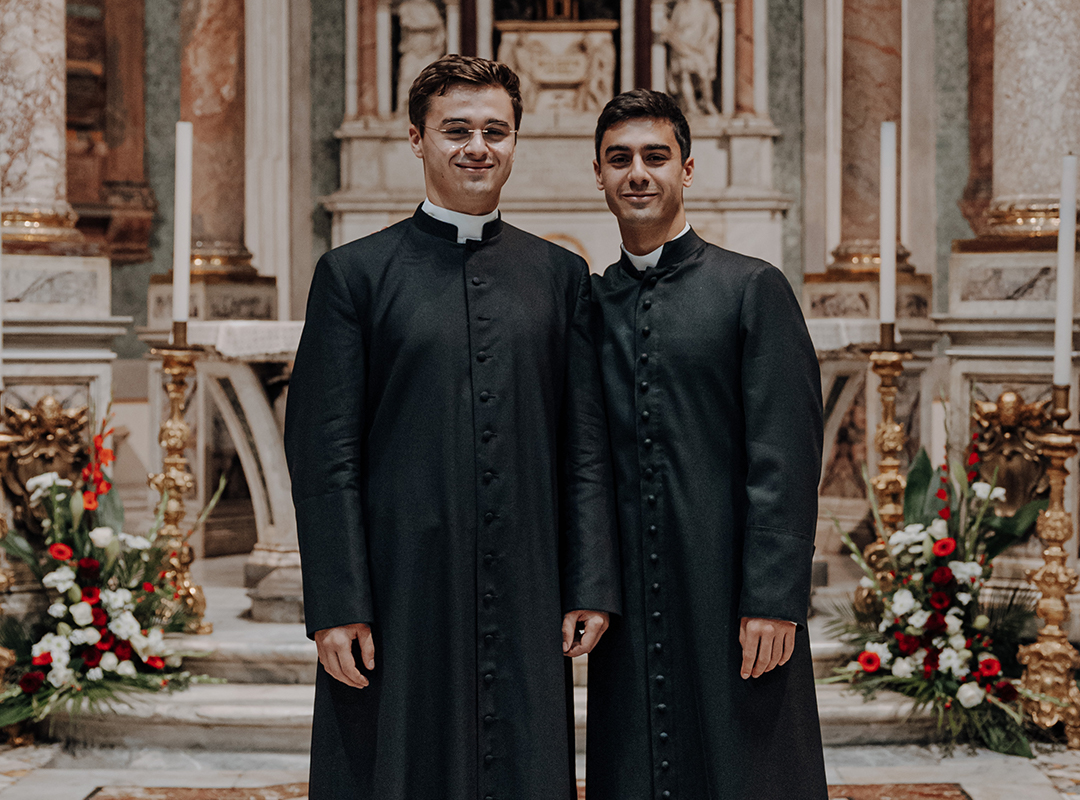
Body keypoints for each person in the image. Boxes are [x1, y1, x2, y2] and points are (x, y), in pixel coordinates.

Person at [284, 55, 619, 800]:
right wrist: (337, 604)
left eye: (495, 131)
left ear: (515, 141)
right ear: (416, 138)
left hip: (528, 576)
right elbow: (323, 453)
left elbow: (586, 447)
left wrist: (590, 580)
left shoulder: (559, 276)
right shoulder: (354, 274)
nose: (477, 147)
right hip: (401, 580)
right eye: (457, 129)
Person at [585, 89, 828, 800]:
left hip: (733, 588)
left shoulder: (751, 289)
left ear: (686, 170)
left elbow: (786, 456)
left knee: (748, 767)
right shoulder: (592, 304)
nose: (638, 173)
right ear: (597, 174)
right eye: (619, 159)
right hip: (630, 592)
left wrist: (776, 597)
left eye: (655, 157)